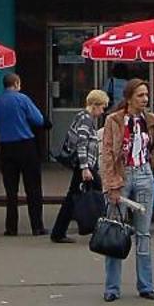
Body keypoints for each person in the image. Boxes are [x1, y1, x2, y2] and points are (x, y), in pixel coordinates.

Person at [99, 79, 154, 301]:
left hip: (144, 175)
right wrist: (111, 185)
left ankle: (146, 285)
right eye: (140, 95)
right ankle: (112, 288)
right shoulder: (114, 120)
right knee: (114, 230)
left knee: (143, 233)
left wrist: (149, 161)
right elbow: (108, 154)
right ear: (129, 98)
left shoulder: (152, 120)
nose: (145, 99)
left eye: (146, 95)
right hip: (122, 175)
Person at [0, 72, 47, 236]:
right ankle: (37, 226)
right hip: (26, 145)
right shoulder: (22, 99)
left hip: (6, 147)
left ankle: (11, 227)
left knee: (11, 191)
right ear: (16, 83)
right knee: (33, 188)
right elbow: (39, 120)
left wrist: (1, 149)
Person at [50, 89, 108, 242]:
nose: (103, 111)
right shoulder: (86, 120)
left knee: (73, 197)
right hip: (85, 165)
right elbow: (81, 144)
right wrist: (85, 168)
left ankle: (60, 231)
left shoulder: (81, 116)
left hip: (83, 164)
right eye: (102, 107)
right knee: (96, 194)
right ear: (95, 105)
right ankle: (99, 229)